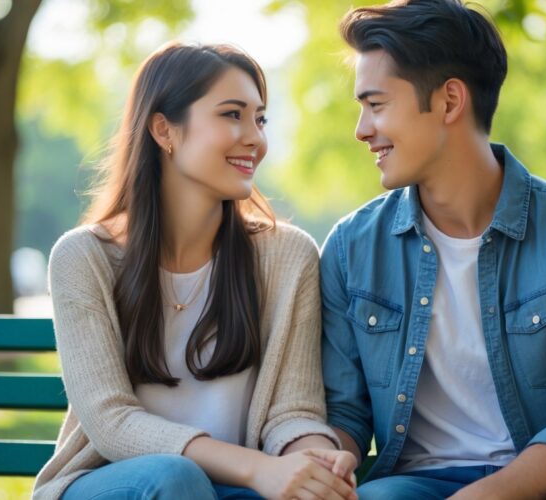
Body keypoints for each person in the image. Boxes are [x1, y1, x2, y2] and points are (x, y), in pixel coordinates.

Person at [320, 1, 546, 498]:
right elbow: (345, 413)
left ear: (450, 101)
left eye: (376, 104)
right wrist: (329, 457)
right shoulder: (350, 248)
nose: (361, 129)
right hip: (415, 482)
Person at [34, 42, 357, 500]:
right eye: (232, 115)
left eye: (260, 119)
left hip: (232, 490)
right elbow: (111, 423)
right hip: (112, 484)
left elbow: (293, 410)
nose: (255, 138)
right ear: (164, 130)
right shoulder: (84, 258)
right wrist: (256, 469)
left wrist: (312, 457)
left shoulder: (287, 257)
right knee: (176, 478)